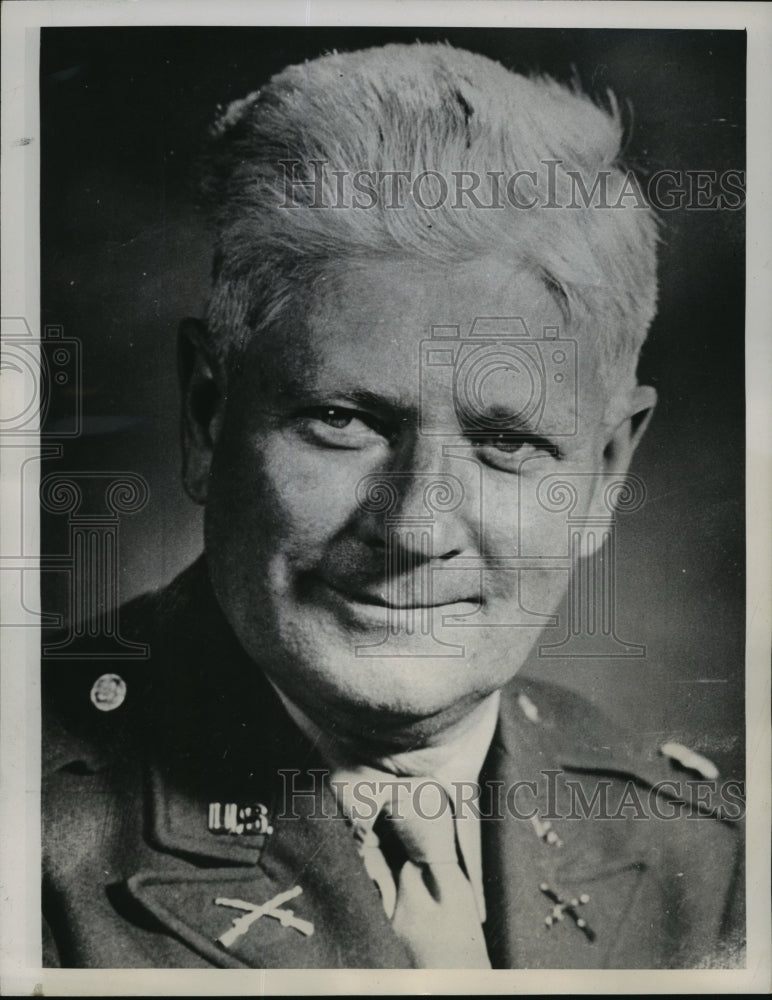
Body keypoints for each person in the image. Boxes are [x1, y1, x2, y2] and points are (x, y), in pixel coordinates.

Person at [42, 42, 744, 969]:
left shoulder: (712, 862)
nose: (416, 526)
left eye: (506, 443)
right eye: (343, 421)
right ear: (208, 415)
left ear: (605, 472)